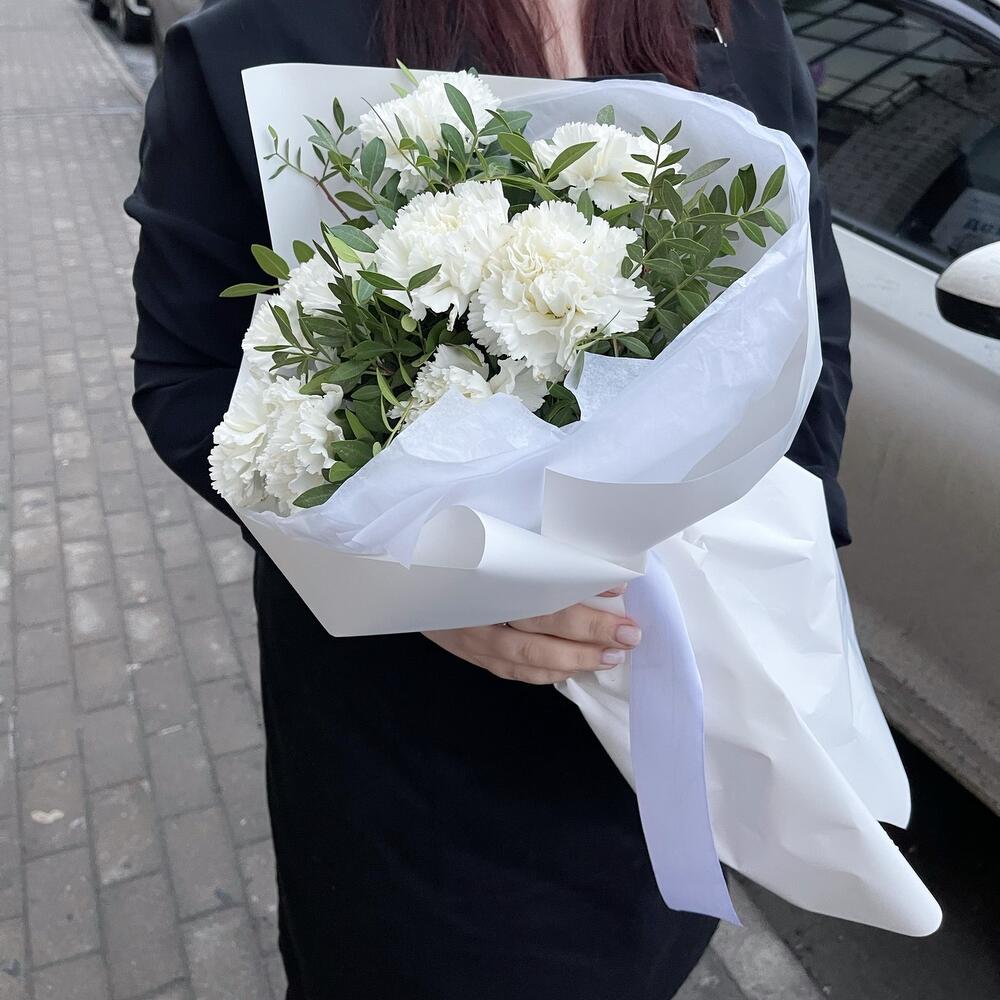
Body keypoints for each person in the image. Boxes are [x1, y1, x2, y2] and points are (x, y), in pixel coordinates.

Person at [125, 0, 851, 996]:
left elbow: (810, 303)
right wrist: (418, 572)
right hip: (423, 745)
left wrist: (773, 543)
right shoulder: (262, 40)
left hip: (668, 686)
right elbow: (188, 376)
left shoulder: (733, 17)